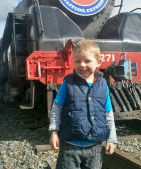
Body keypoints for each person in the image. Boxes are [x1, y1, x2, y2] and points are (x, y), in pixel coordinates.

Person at [49, 39, 117, 169]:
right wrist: (54, 132)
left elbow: (108, 113)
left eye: (87, 61)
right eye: (78, 61)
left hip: (95, 147)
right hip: (70, 146)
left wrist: (112, 139)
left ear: (98, 62)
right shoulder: (68, 83)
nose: (82, 65)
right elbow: (57, 108)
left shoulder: (103, 85)